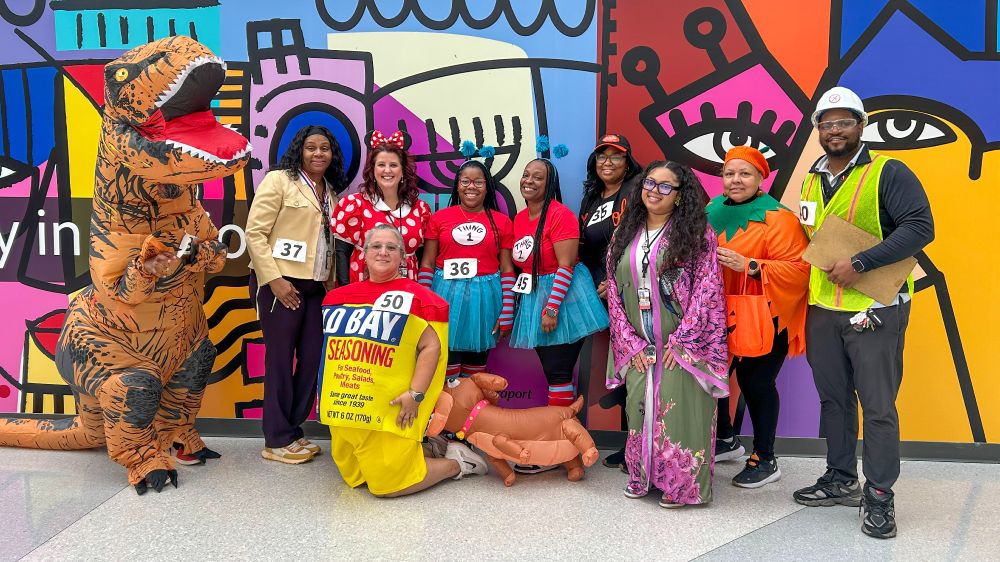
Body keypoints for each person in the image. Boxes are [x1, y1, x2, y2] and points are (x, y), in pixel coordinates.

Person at [792, 87, 934, 539]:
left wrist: (860, 263)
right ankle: (840, 478)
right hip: (823, 308)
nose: (834, 131)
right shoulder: (813, 177)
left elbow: (920, 227)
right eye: (826, 123)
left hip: (876, 309)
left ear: (861, 124)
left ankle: (879, 496)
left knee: (876, 406)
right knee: (834, 399)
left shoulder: (889, 171)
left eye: (844, 122)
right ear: (818, 130)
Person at [325, 224, 488, 496]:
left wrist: (416, 394)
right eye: (376, 246)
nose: (383, 252)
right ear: (363, 254)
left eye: (391, 247)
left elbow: (431, 347)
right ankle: (430, 447)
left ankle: (457, 464)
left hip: (389, 407)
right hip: (346, 408)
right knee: (356, 478)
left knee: (387, 487)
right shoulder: (337, 299)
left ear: (403, 256)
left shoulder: (419, 299)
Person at [605, 160, 729, 507]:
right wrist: (629, 342)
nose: (654, 191)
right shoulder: (624, 232)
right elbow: (614, 291)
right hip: (639, 343)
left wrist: (685, 340)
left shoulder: (695, 232)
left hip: (682, 343)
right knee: (640, 407)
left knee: (678, 411)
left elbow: (708, 287)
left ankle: (684, 487)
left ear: (679, 195)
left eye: (665, 186)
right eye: (650, 183)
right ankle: (642, 477)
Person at [708, 146, 809, 488]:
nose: (735, 180)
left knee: (755, 382)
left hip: (766, 316)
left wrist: (752, 266)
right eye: (729, 173)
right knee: (714, 376)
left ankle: (765, 457)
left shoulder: (779, 218)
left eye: (745, 173)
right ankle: (725, 440)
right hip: (718, 312)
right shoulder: (710, 210)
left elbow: (800, 270)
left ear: (760, 177)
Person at [245, 125, 346, 464]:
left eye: (325, 148)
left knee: (312, 360)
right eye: (311, 147)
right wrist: (274, 280)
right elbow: (255, 233)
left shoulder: (330, 192)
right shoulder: (279, 181)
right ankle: (276, 438)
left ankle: (293, 429)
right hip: (282, 286)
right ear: (299, 151)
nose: (318, 153)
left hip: (316, 288)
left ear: (333, 155)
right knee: (279, 362)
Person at [509, 158, 609, 473]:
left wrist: (551, 307)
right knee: (556, 375)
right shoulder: (521, 216)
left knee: (558, 373)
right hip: (533, 296)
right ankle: (564, 444)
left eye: (538, 177)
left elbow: (566, 264)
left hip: (563, 301)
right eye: (526, 175)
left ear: (550, 184)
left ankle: (560, 446)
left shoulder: (560, 215)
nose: (529, 180)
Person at [577, 133, 643, 471]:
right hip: (601, 295)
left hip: (630, 292)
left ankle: (641, 443)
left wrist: (616, 280)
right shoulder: (591, 199)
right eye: (601, 156)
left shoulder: (636, 192)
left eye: (615, 156)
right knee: (622, 366)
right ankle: (630, 442)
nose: (607, 161)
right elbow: (586, 249)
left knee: (636, 366)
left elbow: (643, 241)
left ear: (627, 161)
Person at [418, 160, 515, 380]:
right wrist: (425, 304)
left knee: (475, 373)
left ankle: (470, 413)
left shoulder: (502, 222)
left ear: (487, 187)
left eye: (478, 182)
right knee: (445, 367)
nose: (471, 187)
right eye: (466, 181)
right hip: (445, 297)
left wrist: (508, 308)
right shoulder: (439, 218)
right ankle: (449, 414)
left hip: (484, 302)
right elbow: (427, 263)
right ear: (457, 185)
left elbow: (507, 268)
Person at [333, 130, 432, 285]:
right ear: (372, 170)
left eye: (393, 165)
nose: (387, 170)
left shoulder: (420, 209)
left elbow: (421, 256)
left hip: (405, 289)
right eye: (381, 165)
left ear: (403, 171)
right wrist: (345, 292)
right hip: (363, 287)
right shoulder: (354, 205)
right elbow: (341, 254)